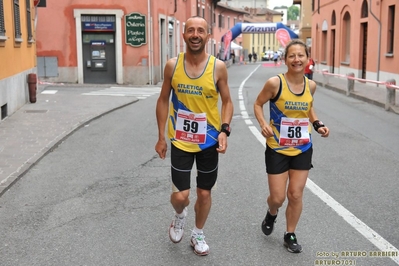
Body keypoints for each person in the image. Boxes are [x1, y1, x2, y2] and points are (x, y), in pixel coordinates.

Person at [155, 16, 234, 256]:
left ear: (208, 36)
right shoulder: (172, 65)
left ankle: (197, 232)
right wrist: (161, 137)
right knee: (180, 196)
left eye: (201, 30)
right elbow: (162, 100)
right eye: (191, 30)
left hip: (208, 142)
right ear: (184, 35)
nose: (195, 34)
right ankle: (180, 215)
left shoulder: (217, 67)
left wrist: (224, 130)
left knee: (204, 192)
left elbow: (228, 102)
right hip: (180, 140)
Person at [253, 39, 329, 253]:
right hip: (277, 147)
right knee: (278, 197)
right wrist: (263, 124)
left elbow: (309, 107)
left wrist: (317, 123)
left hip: (302, 147)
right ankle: (272, 212)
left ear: (307, 58)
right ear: (285, 59)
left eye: (301, 55)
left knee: (295, 194)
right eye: (292, 56)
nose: (297, 59)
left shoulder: (311, 85)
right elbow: (258, 104)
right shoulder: (274, 84)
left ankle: (290, 234)